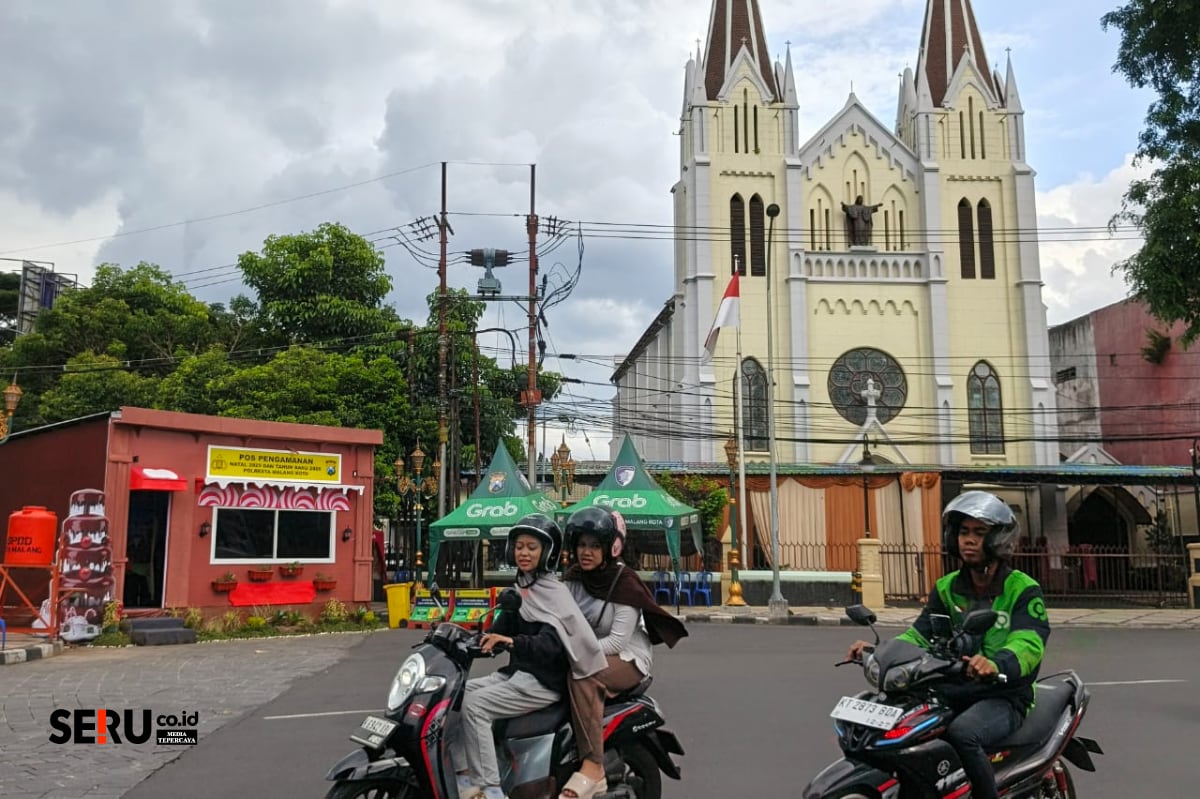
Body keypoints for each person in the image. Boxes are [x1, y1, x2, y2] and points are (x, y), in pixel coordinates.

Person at [845, 491, 1051, 799]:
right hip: (951, 687)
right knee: (905, 729)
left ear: (999, 539)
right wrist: (881, 652)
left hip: (1004, 693)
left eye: (979, 533)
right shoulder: (947, 587)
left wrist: (996, 663)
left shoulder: (1022, 589)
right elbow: (919, 634)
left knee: (963, 734)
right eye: (964, 532)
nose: (969, 540)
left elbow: (1029, 641)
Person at [449, 514, 605, 799]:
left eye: (532, 547)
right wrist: (461, 638)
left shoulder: (554, 593)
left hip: (542, 682)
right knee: (455, 695)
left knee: (474, 705)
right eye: (519, 546)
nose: (523, 553)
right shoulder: (522, 588)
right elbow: (499, 631)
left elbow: (551, 646)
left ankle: (490, 788)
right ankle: (463, 775)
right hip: (517, 676)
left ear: (547, 553)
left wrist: (511, 642)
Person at [559, 507, 688, 799]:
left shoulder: (624, 583)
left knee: (582, 676)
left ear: (611, 548)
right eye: (582, 544)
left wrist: (574, 652)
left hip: (627, 659)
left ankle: (593, 766)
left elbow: (617, 642)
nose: (586, 552)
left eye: (595, 546)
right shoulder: (573, 580)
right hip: (586, 653)